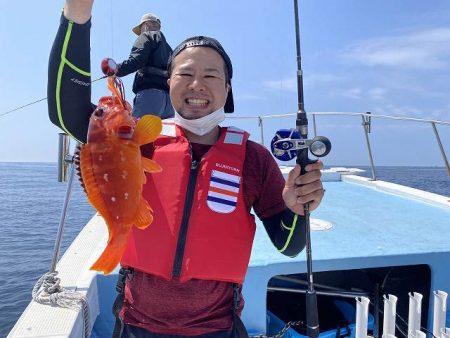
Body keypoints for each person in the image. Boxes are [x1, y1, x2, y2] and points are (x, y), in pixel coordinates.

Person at [47, 1, 325, 337]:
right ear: (168, 85)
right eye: (185, 74)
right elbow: (65, 108)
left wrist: (296, 211)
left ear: (228, 88)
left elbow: (289, 245)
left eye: (211, 75)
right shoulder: (133, 138)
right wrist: (77, 15)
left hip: (218, 328)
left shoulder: (254, 159)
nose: (197, 84)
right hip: (136, 324)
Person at [115, 12, 174, 119]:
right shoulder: (170, 49)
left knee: (139, 134)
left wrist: (115, 69)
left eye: (141, 28)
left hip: (150, 97)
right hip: (169, 103)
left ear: (146, 25)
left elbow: (136, 61)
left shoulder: (146, 36)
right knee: (164, 135)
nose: (140, 33)